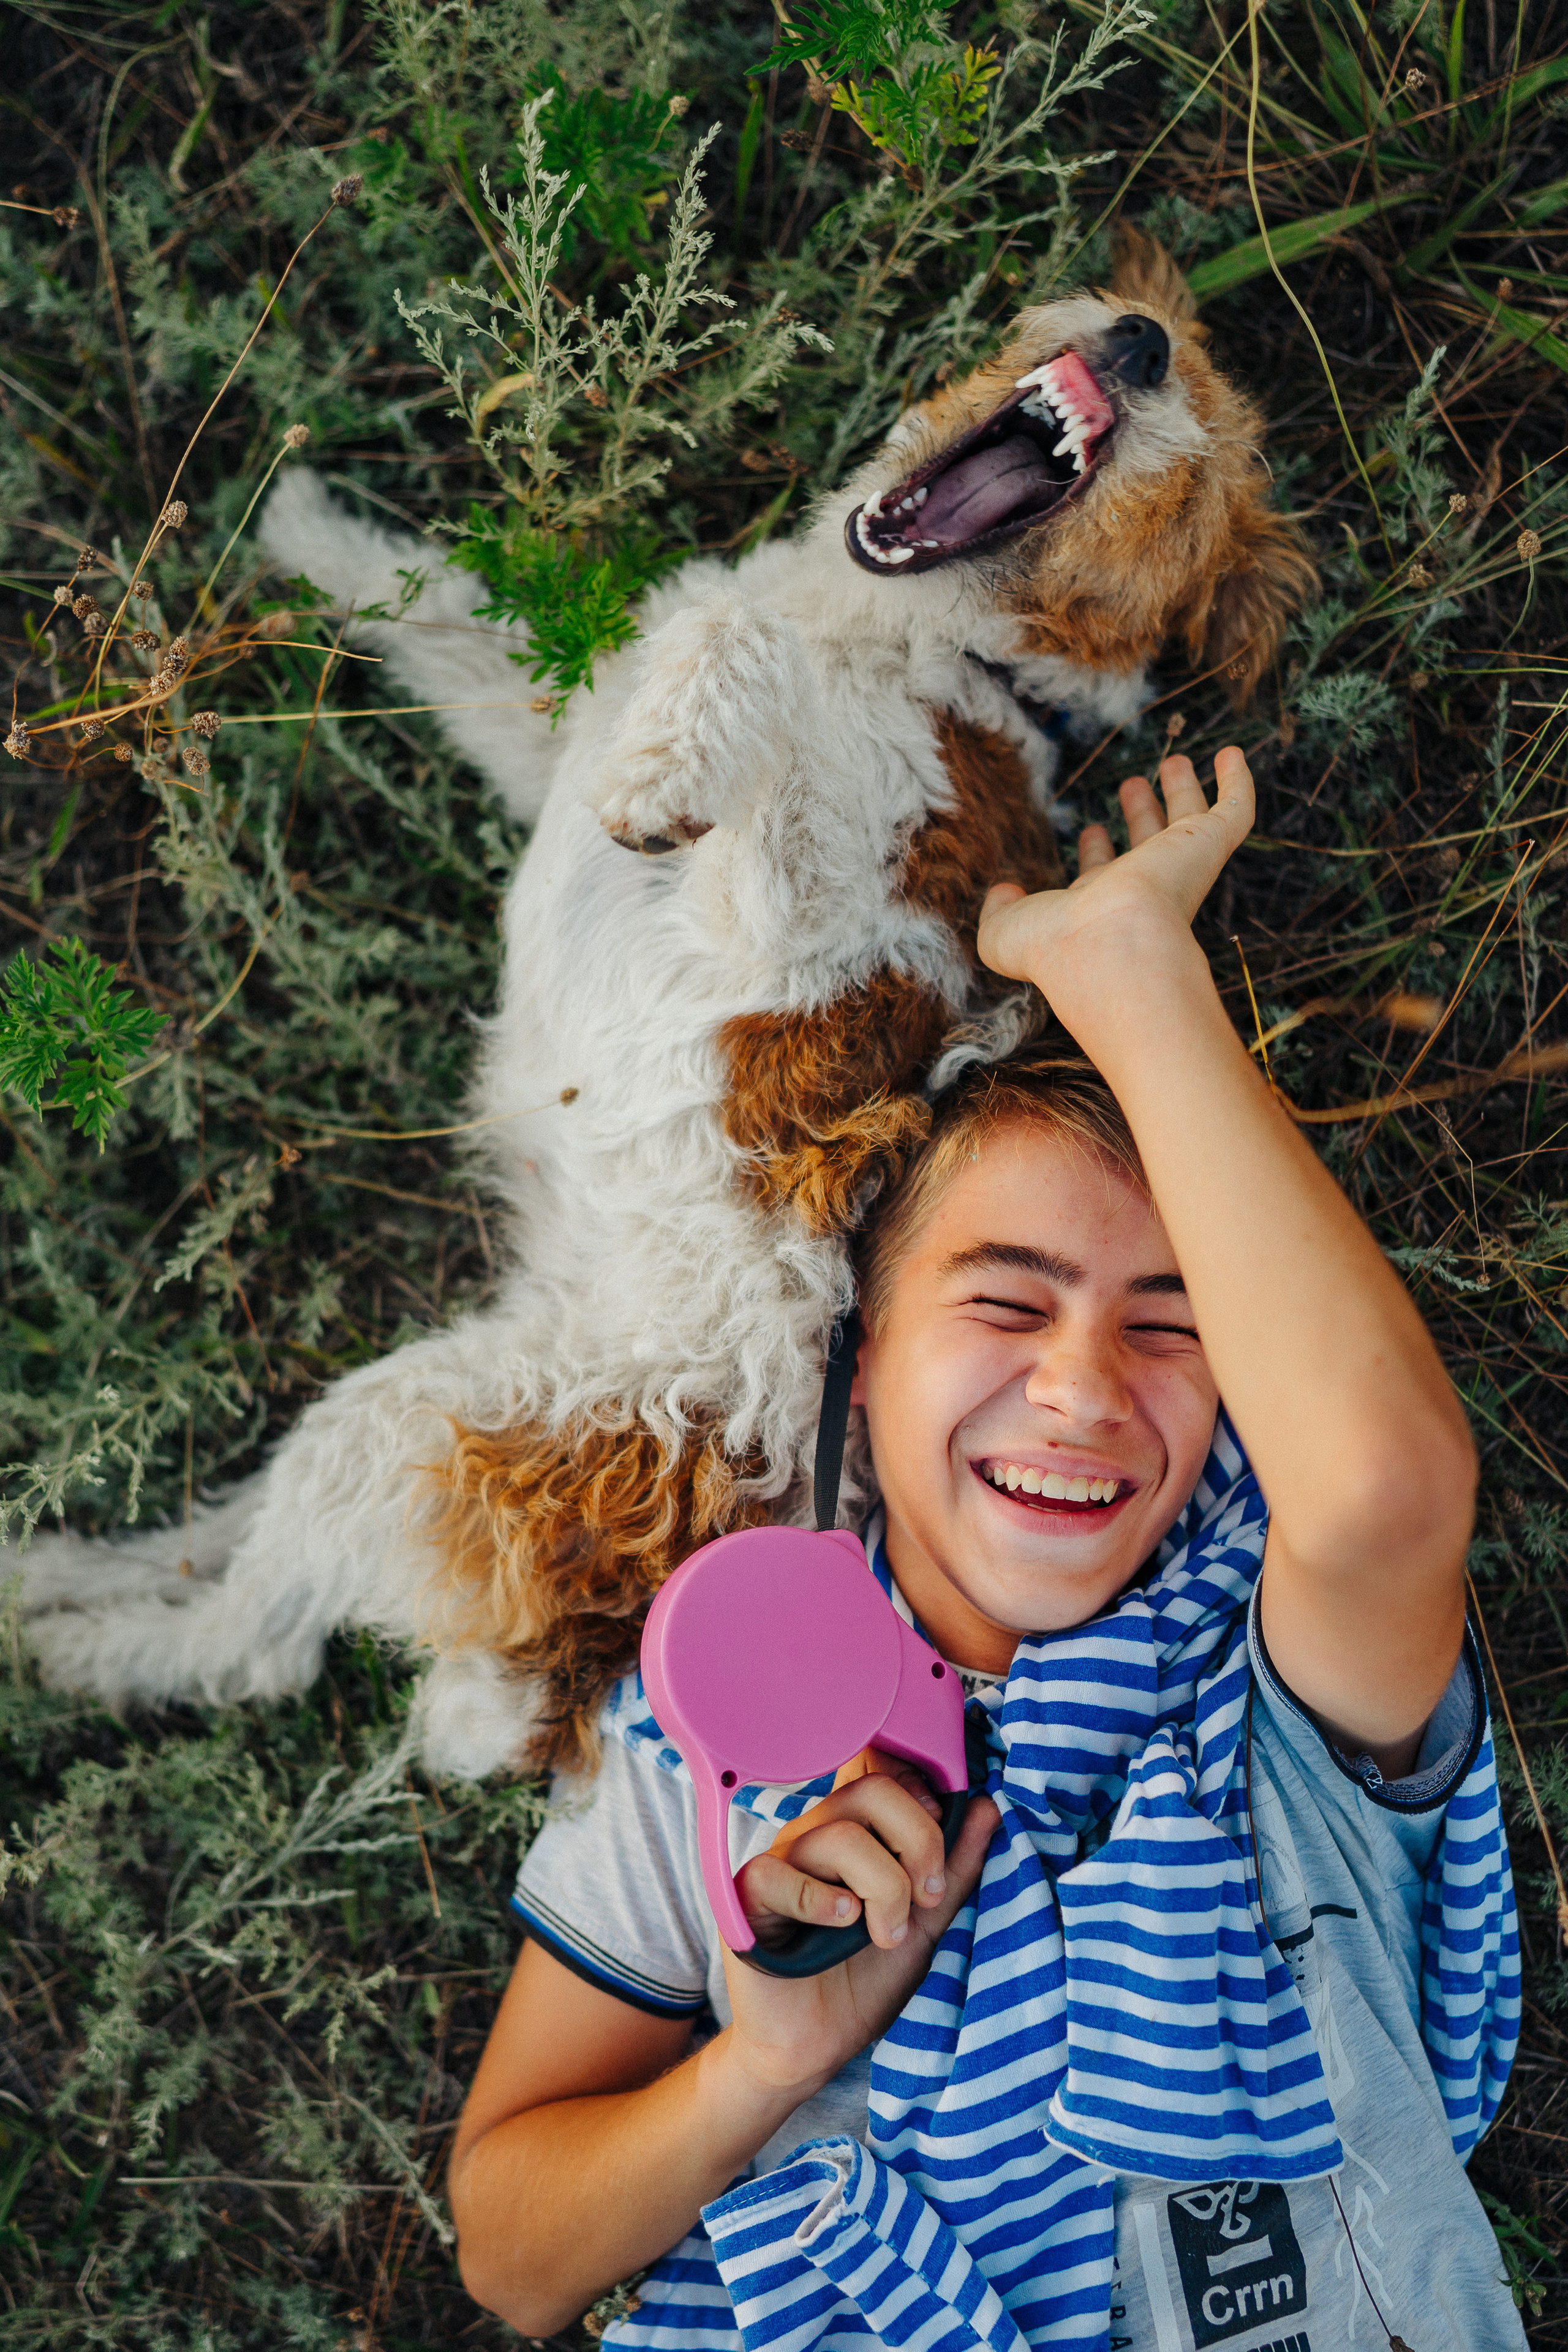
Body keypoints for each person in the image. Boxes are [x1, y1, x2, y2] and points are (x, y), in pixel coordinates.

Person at [447, 749, 1522, 2351]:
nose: (1082, 1387)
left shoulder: (1266, 1703)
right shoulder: (716, 1726)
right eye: (1007, 1303)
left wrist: (1134, 977)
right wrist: (764, 2062)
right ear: (863, 1359)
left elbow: (1379, 1488)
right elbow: (513, 2257)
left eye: (1176, 1325)